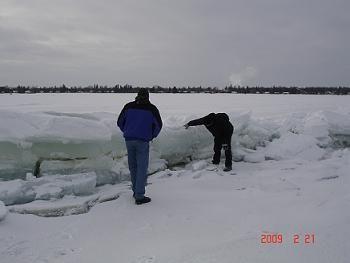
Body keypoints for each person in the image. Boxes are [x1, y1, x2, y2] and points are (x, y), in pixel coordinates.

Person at [117, 88, 162, 205]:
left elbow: (120, 121)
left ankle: (135, 191)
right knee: (142, 168)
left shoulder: (128, 106)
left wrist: (127, 130)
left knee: (133, 167)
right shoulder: (152, 109)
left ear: (137, 95)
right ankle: (139, 196)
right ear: (147, 96)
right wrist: (151, 135)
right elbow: (158, 125)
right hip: (142, 141)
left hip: (129, 140)